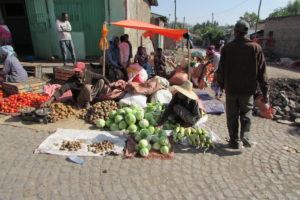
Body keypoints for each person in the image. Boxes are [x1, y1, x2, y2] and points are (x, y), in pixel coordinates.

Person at [217, 20, 269, 149]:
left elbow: (221, 70)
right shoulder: (256, 48)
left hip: (231, 89)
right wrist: (265, 92)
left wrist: (221, 86)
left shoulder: (227, 48)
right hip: (248, 90)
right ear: (247, 32)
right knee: (246, 113)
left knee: (232, 116)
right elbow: (262, 72)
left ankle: (234, 141)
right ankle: (245, 135)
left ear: (235, 31)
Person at [42, 62, 110, 109]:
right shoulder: (72, 80)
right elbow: (61, 90)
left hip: (89, 94)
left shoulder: (89, 74)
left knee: (101, 81)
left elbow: (101, 76)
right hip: (79, 99)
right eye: (75, 72)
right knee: (87, 87)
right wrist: (50, 100)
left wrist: (110, 84)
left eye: (78, 72)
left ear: (84, 70)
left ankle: (94, 99)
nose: (76, 74)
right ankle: (87, 103)